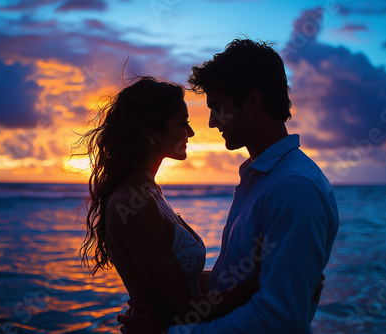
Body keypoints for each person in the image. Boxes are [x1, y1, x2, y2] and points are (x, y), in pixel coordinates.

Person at [118, 39, 339, 333]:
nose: (211, 122)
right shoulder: (261, 179)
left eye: (218, 107)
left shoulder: (293, 188)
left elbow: (278, 320)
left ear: (253, 101)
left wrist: (169, 333)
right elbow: (235, 282)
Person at [78, 76, 260, 331]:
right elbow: (187, 310)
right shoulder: (134, 203)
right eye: (183, 123)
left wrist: (251, 272)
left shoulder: (149, 192)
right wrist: (258, 283)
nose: (191, 132)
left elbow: (189, 282)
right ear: (151, 132)